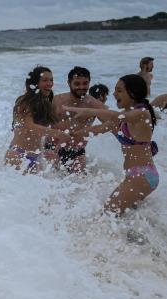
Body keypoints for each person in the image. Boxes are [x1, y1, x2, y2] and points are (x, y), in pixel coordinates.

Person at [66, 75, 158, 215]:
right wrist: (68, 136)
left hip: (142, 175)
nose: (114, 94)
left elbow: (115, 116)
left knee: (108, 213)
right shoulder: (125, 116)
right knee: (125, 217)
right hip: (136, 176)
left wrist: (89, 111)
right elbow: (97, 129)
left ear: (132, 93)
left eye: (119, 90)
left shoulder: (142, 113)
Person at [5, 66, 70, 173]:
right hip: (18, 155)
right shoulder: (24, 102)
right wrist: (57, 133)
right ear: (35, 83)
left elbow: (41, 133)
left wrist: (50, 150)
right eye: (45, 80)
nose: (50, 83)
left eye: (51, 80)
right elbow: (30, 127)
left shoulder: (46, 103)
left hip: (36, 157)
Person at [51, 66, 107, 173]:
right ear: (69, 83)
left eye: (85, 83)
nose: (81, 87)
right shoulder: (56, 100)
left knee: (79, 184)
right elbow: (37, 121)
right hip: (52, 149)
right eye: (77, 83)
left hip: (77, 151)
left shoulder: (93, 104)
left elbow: (114, 121)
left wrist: (89, 132)